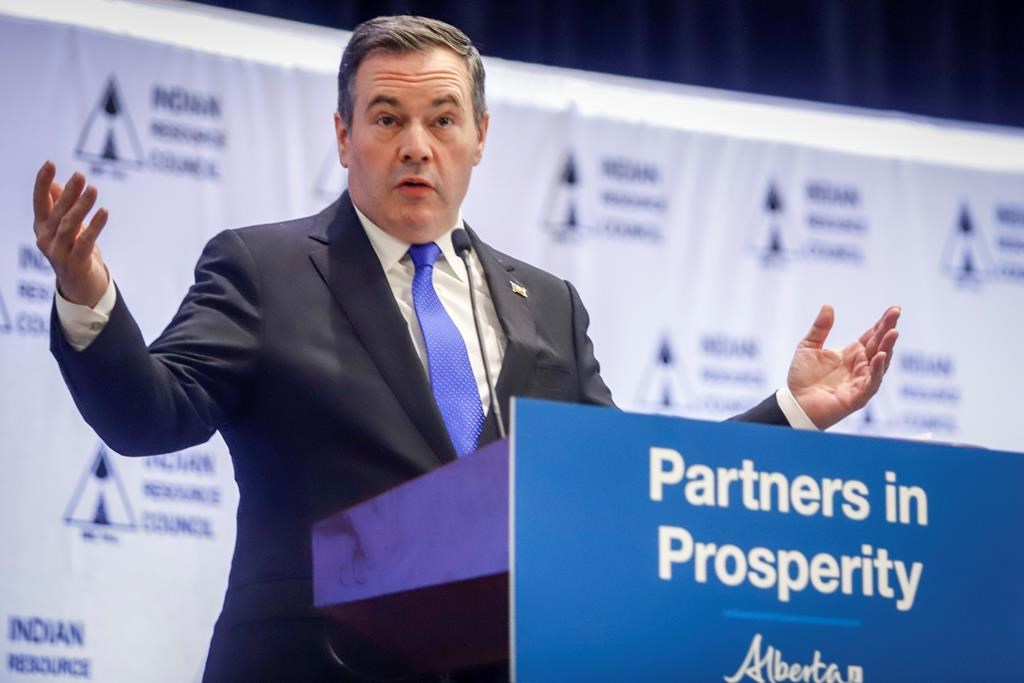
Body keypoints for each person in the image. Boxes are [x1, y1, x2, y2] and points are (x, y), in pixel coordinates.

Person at [33, 15, 899, 683]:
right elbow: (150, 416)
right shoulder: (262, 268)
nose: (417, 143)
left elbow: (632, 489)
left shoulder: (548, 305)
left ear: (480, 136)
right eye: (387, 117)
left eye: (443, 118)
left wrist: (789, 413)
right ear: (343, 137)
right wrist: (87, 297)